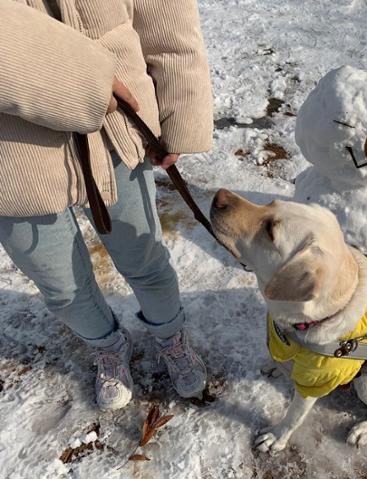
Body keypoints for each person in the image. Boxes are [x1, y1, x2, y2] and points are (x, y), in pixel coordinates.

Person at [0, 0, 214, 410]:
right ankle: (107, 345)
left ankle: (170, 335)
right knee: (61, 287)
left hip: (115, 121)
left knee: (145, 257)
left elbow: (166, 17)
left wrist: (178, 112)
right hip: (10, 149)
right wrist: (78, 77)